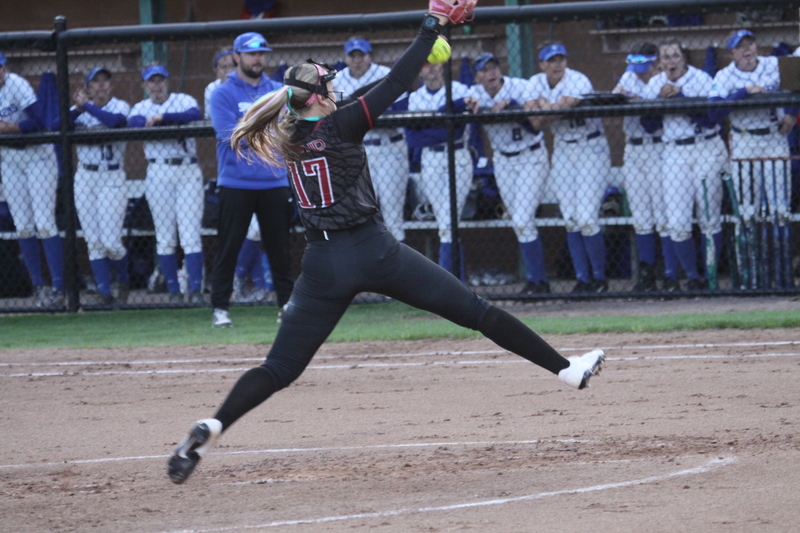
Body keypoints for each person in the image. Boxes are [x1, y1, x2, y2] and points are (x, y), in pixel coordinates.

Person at [167, 3, 605, 485]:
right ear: (314, 99)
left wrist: (423, 41)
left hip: (321, 264)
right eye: (327, 86)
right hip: (373, 250)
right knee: (478, 312)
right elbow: (395, 83)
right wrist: (430, 27)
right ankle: (566, 370)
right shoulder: (339, 123)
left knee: (279, 368)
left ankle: (214, 424)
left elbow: (364, 93)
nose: (334, 89)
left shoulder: (289, 132)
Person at [208, 32, 294, 327]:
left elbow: (287, 130)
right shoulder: (223, 93)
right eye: (251, 53)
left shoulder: (277, 90)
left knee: (280, 249)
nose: (258, 58)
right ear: (237, 57)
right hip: (236, 182)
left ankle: (286, 307)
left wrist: (256, 131)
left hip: (274, 180)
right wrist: (268, 131)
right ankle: (220, 309)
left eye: (261, 53)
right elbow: (228, 135)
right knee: (228, 247)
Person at [709, 29, 796, 284]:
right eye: (741, 47)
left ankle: (782, 277)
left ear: (757, 47)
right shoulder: (725, 75)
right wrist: (744, 92)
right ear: (732, 53)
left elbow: (798, 80)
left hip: (774, 139)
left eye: (751, 44)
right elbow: (713, 113)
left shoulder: (773, 64)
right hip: (745, 140)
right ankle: (750, 277)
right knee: (747, 212)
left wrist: (791, 112)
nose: (747, 50)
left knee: (780, 209)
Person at [642, 40, 727, 291]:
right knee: (678, 223)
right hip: (674, 152)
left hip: (705, 148)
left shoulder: (701, 78)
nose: (671, 61)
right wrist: (659, 101)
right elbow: (648, 126)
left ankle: (710, 277)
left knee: (709, 218)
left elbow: (711, 119)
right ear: (659, 62)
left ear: (684, 58)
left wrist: (680, 97)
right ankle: (693, 277)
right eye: (665, 57)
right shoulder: (655, 84)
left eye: (675, 56)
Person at [527, 43, 610, 293]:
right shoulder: (534, 82)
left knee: (586, 217)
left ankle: (600, 279)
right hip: (563, 149)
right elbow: (534, 123)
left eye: (561, 59)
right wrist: (544, 109)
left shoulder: (578, 79)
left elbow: (563, 108)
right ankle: (583, 280)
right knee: (571, 219)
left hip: (590, 147)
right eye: (551, 60)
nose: (557, 64)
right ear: (542, 65)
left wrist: (543, 106)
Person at [464, 52, 550, 295]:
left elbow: (535, 126)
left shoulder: (521, 87)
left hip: (531, 155)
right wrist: (471, 109)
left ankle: (538, 281)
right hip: (502, 160)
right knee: (519, 221)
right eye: (484, 70)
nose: (490, 73)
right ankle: (538, 281)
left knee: (523, 219)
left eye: (494, 67)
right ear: (477, 76)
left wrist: (513, 108)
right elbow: (464, 112)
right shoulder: (476, 93)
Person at [128, 64, 205, 304]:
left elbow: (194, 115)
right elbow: (136, 123)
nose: (157, 85)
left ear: (167, 81)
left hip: (187, 170)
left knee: (190, 233)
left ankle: (196, 291)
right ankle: (173, 291)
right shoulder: (140, 107)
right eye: (151, 81)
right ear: (144, 85)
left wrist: (162, 119)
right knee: (165, 236)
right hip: (158, 170)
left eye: (160, 80)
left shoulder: (183, 100)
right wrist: (170, 126)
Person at [0, 51, 64, 307]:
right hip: (10, 159)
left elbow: (40, 122)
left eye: (0, 66)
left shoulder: (16, 83)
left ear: (5, 67)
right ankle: (40, 286)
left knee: (45, 222)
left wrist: (10, 128)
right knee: (23, 225)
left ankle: (59, 288)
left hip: (38, 156)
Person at [612, 43, 676, 292]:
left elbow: (652, 122)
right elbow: (615, 97)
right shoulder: (630, 75)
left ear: (656, 63)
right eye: (636, 67)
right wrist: (628, 99)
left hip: (658, 148)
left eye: (644, 67)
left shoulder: (663, 80)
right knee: (641, 217)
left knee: (663, 216)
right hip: (633, 150)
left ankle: (670, 275)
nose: (639, 72)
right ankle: (647, 274)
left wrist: (640, 102)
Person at [334, 36, 411, 243]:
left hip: (390, 149)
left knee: (392, 217)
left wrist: (358, 117)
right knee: (358, 215)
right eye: (353, 55)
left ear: (370, 56)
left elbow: (400, 112)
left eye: (362, 55)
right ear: (346, 58)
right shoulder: (338, 80)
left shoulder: (385, 75)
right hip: (355, 152)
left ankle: (397, 272)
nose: (357, 60)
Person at [406, 60, 472, 279]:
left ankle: (448, 283)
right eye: (426, 65)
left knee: (448, 222)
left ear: (443, 66)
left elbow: (458, 130)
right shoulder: (415, 98)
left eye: (435, 64)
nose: (432, 68)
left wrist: (430, 127)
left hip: (459, 157)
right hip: (431, 161)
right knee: (446, 223)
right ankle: (458, 282)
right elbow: (413, 138)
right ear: (420, 70)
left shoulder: (460, 90)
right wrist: (444, 124)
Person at [70, 67, 131, 306]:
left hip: (112, 177)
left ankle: (123, 281)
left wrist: (87, 107)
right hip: (85, 177)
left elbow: (115, 122)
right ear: (87, 88)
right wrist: (78, 108)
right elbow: (56, 124)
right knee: (93, 242)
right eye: (95, 82)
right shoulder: (79, 111)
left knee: (111, 242)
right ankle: (105, 293)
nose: (101, 85)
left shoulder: (120, 105)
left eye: (105, 81)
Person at [203, 47, 235, 120]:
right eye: (224, 67)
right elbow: (213, 115)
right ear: (216, 70)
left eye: (233, 66)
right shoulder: (212, 88)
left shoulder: (248, 84)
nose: (229, 71)